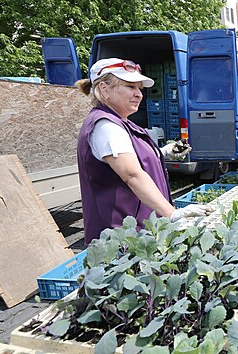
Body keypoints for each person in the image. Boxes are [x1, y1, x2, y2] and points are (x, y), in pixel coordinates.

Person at [75, 58, 212, 245]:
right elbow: (132, 174)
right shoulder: (106, 126)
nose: (139, 94)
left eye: (139, 88)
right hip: (121, 240)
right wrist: (172, 213)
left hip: (135, 235)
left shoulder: (119, 122)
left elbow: (129, 158)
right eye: (130, 87)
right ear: (104, 89)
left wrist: (162, 153)